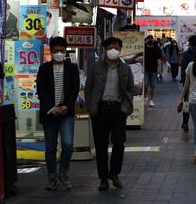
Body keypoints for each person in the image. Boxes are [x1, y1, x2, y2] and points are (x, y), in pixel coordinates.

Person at [85, 37, 135, 191]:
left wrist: (126, 106)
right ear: (105, 49)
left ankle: (114, 174)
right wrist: (90, 107)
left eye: (117, 47)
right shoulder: (95, 67)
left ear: (120, 50)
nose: (114, 49)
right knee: (101, 146)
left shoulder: (126, 69)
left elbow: (130, 89)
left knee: (119, 143)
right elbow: (88, 88)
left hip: (118, 110)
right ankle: (103, 178)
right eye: (111, 46)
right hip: (100, 110)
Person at [36, 37, 81, 190]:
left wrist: (67, 106)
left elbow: (75, 89)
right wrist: (51, 108)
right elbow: (40, 91)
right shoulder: (44, 68)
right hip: (49, 113)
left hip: (66, 113)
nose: (59, 53)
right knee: (50, 147)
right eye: (56, 51)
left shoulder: (72, 68)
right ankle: (52, 177)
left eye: (62, 50)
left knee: (68, 145)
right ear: (51, 51)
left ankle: (63, 173)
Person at [179, 35, 196, 131]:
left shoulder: (187, 54)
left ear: (190, 43)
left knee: (186, 102)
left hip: (189, 81)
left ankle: (185, 122)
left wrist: (183, 80)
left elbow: (183, 69)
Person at [144, 35, 162, 107]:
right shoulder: (144, 48)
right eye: (148, 39)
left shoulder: (156, 48)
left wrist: (159, 68)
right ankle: (145, 96)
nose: (150, 41)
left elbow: (159, 59)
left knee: (153, 86)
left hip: (154, 70)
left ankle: (151, 100)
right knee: (145, 84)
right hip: (145, 69)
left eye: (151, 39)